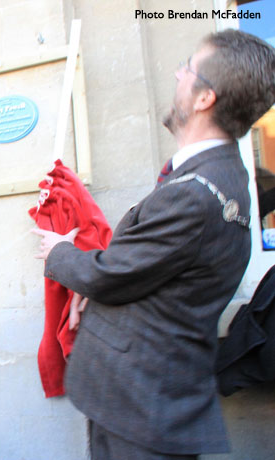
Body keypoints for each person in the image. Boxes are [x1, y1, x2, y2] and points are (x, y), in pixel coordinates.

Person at [32, 29, 275, 459]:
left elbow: (112, 276)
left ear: (205, 99)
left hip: (142, 411)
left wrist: (59, 252)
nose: (178, 73)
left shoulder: (196, 191)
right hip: (136, 402)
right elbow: (152, 270)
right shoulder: (220, 174)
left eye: (188, 67)